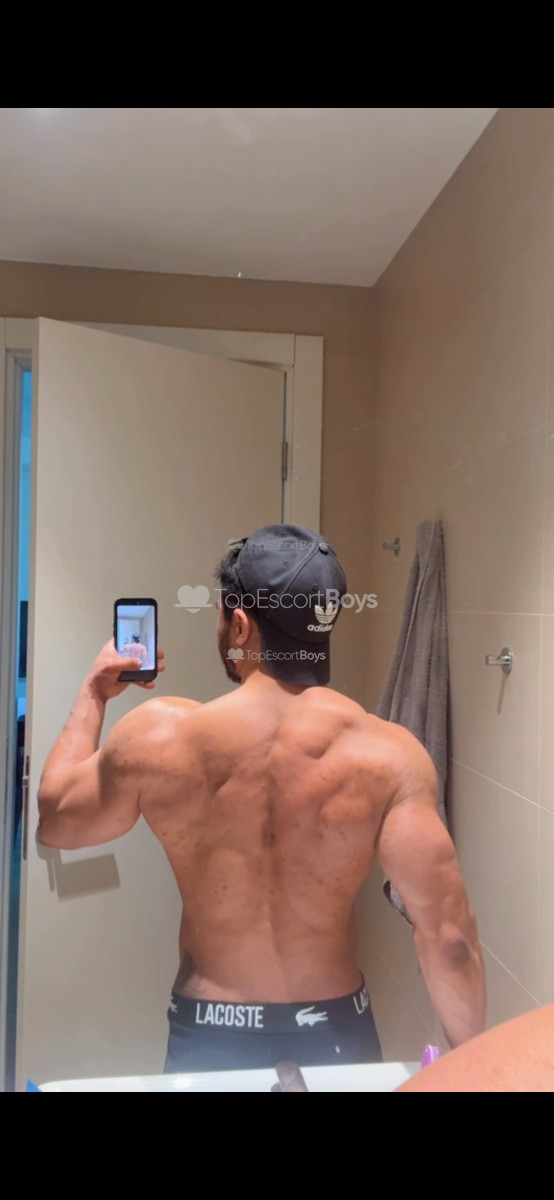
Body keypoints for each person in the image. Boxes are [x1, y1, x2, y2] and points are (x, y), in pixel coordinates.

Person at [37, 524, 486, 1072]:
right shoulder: (390, 755)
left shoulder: (160, 737)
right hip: (335, 1033)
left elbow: (57, 820)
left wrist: (93, 693)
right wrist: (476, 1070)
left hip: (210, 1035)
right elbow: (450, 942)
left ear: (241, 625)